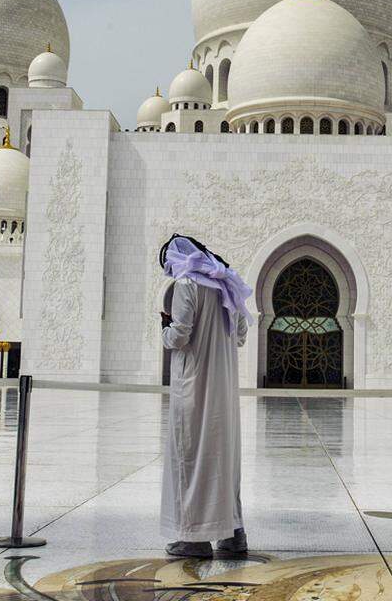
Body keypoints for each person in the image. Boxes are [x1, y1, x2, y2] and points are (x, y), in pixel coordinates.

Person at [159, 234, 252, 558]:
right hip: (223, 392)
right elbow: (241, 334)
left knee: (192, 456)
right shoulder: (226, 283)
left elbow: (181, 336)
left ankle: (194, 539)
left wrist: (165, 331)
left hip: (195, 387)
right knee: (223, 460)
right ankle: (233, 534)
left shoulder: (187, 284)